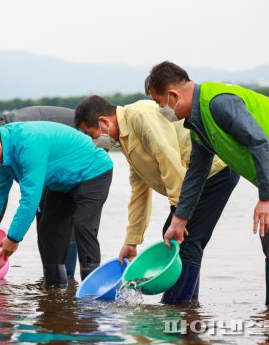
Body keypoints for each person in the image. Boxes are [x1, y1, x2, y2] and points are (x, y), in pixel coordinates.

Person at [146, 61, 269, 311]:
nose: (161, 110)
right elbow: (196, 173)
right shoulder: (197, 122)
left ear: (172, 95)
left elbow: (259, 143)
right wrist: (179, 221)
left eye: (160, 103)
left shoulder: (218, 103)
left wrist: (266, 198)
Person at [74, 95, 239, 304]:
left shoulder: (140, 115)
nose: (94, 143)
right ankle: (186, 305)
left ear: (104, 122)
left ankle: (179, 307)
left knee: (182, 239)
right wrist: (132, 240)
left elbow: (168, 157)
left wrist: (179, 213)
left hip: (213, 172)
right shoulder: (126, 140)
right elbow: (139, 191)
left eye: (91, 134)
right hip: (193, 181)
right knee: (179, 238)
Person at [0, 116, 113, 287]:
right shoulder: (2, 154)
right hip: (60, 181)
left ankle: (93, 291)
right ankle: (55, 289)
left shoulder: (28, 143)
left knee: (83, 226)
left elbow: (30, 198)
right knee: (48, 232)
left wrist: (13, 238)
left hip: (93, 171)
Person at [0, 106, 79, 279]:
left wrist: (13, 237)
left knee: (56, 214)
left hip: (79, 142)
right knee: (44, 214)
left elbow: (31, 195)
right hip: (51, 156)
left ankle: (66, 277)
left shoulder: (23, 135)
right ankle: (53, 274)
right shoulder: (2, 142)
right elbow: (0, 183)